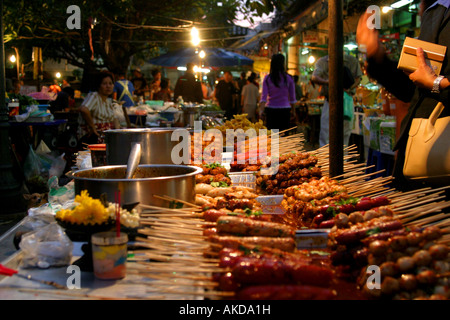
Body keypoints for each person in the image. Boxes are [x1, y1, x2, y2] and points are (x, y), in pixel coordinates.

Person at [356, 0, 450, 191]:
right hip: (419, 158)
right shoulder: (436, 9)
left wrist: (437, 84)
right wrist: (377, 56)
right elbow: (415, 90)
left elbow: (431, 83)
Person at [311, 54, 362, 147]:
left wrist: (348, 88)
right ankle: (326, 159)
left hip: (347, 100)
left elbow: (358, 78)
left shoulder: (352, 60)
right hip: (330, 100)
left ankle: (343, 160)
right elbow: (314, 77)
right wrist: (328, 82)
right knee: (326, 132)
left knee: (345, 133)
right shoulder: (323, 61)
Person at [78, 72, 120, 145]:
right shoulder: (94, 96)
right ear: (98, 85)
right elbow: (83, 109)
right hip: (93, 139)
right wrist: (93, 127)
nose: (108, 86)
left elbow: (114, 118)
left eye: (110, 83)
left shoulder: (109, 101)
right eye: (104, 84)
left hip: (106, 139)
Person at [259, 53, 297, 131]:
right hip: (285, 110)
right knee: (284, 136)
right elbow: (292, 98)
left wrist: (261, 111)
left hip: (271, 111)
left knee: (273, 137)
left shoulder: (268, 78)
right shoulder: (289, 78)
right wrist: (293, 111)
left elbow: (264, 97)